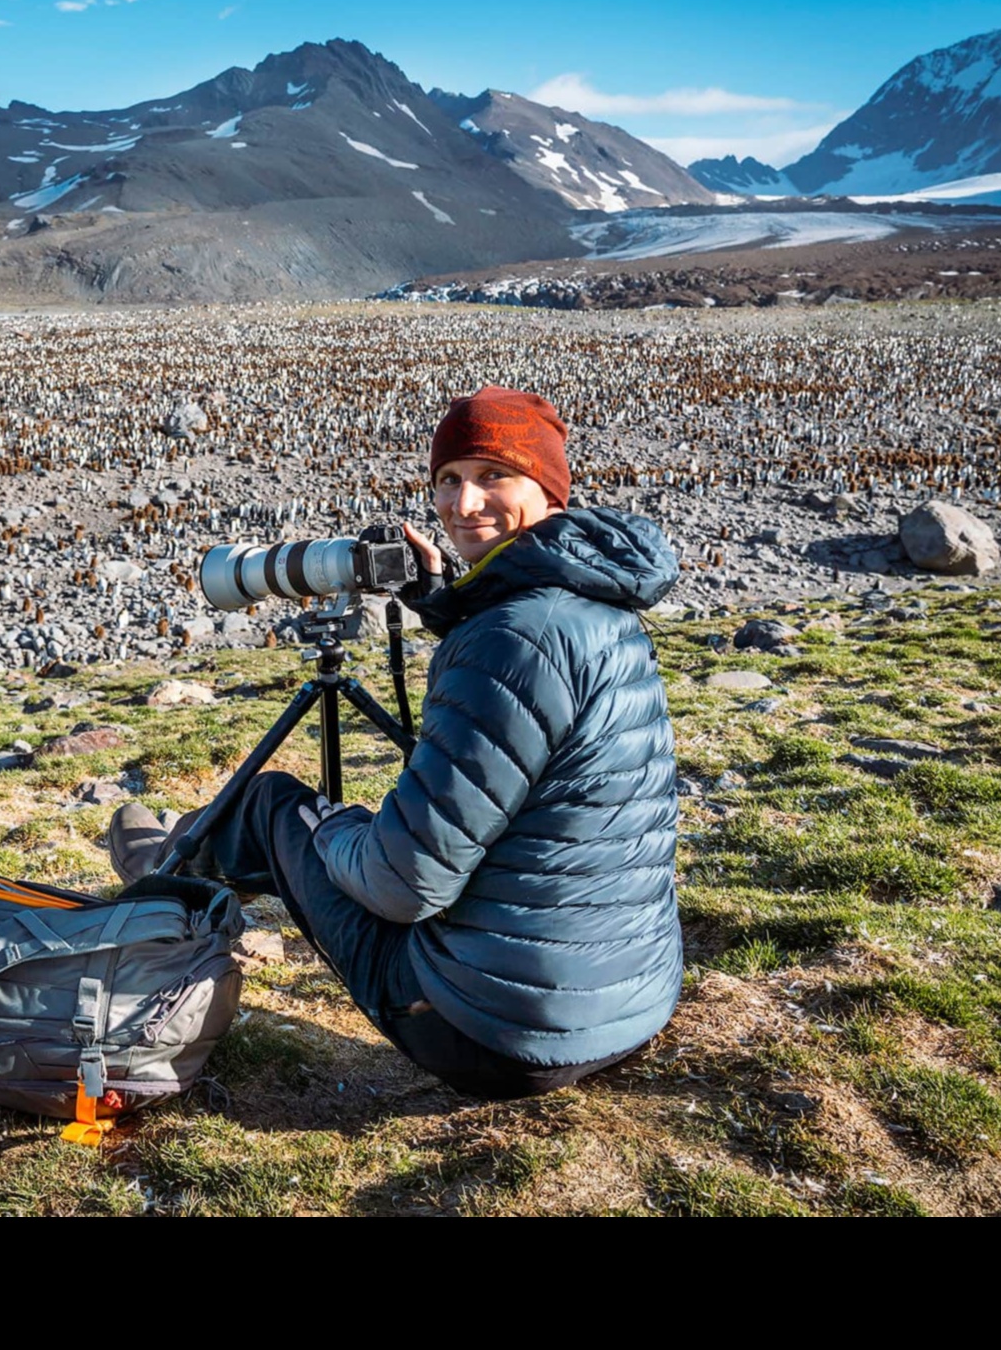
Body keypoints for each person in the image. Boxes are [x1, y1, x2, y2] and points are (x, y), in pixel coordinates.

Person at [110, 386, 683, 1099]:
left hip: (496, 1036)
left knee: (273, 802)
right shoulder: (596, 602)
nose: (462, 503)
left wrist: (334, 826)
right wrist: (446, 603)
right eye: (447, 479)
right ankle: (198, 846)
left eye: (492, 475)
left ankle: (170, 867)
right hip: (628, 1004)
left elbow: (404, 883)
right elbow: (523, 689)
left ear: (548, 489)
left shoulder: (509, 639)